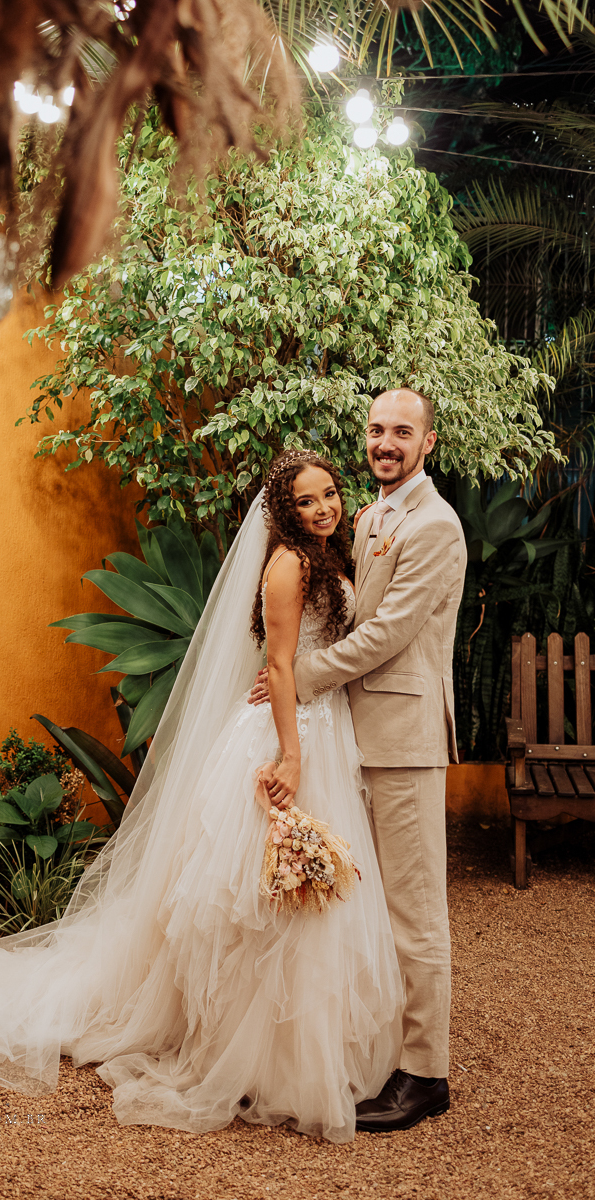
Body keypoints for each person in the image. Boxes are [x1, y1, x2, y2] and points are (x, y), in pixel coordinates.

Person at [0, 452, 403, 1143]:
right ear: (282, 511)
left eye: (328, 494)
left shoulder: (329, 555)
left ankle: (306, 1045)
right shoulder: (289, 566)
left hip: (324, 725)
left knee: (309, 898)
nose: (322, 508)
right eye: (304, 501)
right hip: (287, 737)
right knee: (260, 900)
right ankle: (262, 1056)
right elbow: (279, 665)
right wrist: (290, 758)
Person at [251, 388, 467, 1133]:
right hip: (350, 734)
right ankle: (377, 1049)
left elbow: (385, 637)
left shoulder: (434, 526)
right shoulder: (371, 516)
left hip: (401, 739)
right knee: (363, 906)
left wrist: (300, 676)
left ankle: (424, 1074)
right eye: (376, 429)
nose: (385, 442)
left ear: (427, 443)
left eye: (401, 432)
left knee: (412, 911)